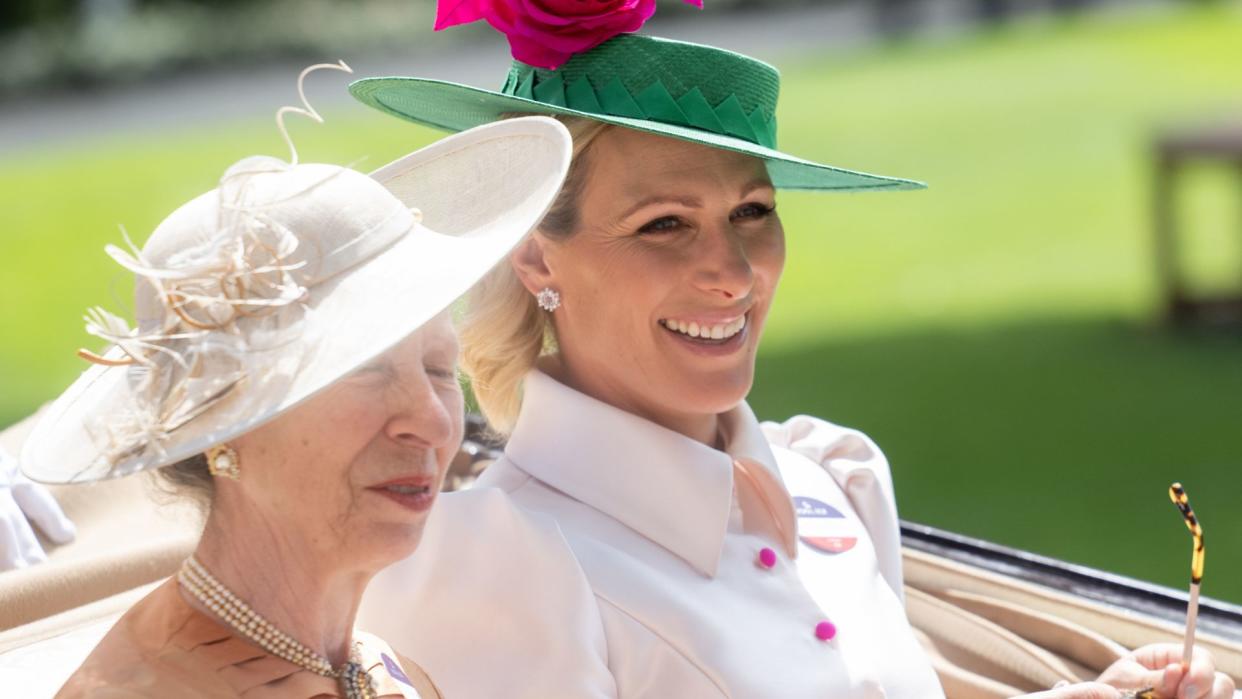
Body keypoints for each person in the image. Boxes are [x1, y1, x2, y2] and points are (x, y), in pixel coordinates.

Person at [348, 9, 1236, 699]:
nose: (732, 274)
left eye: (753, 213)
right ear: (538, 255)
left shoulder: (832, 485)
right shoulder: (496, 564)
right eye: (665, 225)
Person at [19, 97, 572, 697]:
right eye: (367, 370)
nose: (435, 423)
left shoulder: (382, 668)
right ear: (224, 425)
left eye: (440, 369)